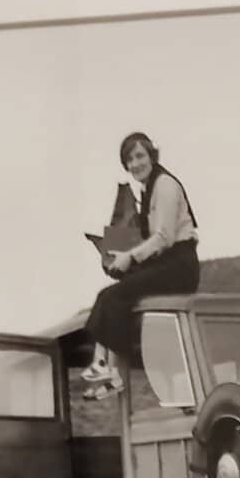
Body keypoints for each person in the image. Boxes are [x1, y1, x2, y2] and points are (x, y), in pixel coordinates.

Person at [82, 131, 200, 398]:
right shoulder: (148, 190)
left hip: (179, 266)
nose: (135, 164)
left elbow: (164, 237)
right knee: (111, 294)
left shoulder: (165, 185)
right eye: (129, 159)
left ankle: (111, 372)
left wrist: (130, 258)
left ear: (151, 155)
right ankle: (104, 366)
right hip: (167, 262)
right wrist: (119, 257)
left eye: (139, 156)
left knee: (112, 297)